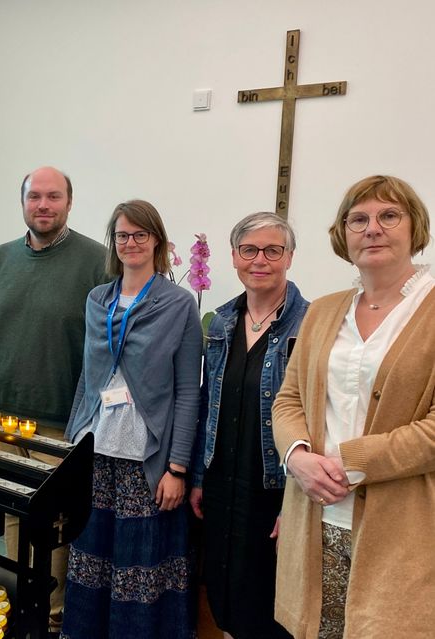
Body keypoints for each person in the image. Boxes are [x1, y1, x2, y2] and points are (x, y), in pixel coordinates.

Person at [272, 175, 435, 639]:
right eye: (358, 219)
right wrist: (298, 457)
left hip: (402, 528)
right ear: (343, 233)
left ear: (414, 228)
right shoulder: (323, 311)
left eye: (389, 216)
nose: (372, 228)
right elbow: (289, 399)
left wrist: (350, 461)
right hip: (315, 519)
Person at [0, 166, 107, 636]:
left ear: (69, 202)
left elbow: (106, 342)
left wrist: (87, 413)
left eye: (53, 197)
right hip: (1, 415)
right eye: (34, 197)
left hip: (60, 420)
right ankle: (20, 598)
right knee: (12, 511)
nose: (43, 205)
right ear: (22, 202)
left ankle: (52, 612)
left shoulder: (96, 261)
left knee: (54, 522)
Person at [61, 199, 203, 639]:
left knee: (138, 568)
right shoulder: (96, 299)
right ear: (113, 243)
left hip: (146, 459)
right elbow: (89, 375)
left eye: (141, 234)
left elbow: (186, 392)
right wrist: (70, 445)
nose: (131, 243)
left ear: (156, 241)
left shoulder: (178, 304)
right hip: (94, 449)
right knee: (90, 559)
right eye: (123, 235)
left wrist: (178, 467)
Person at [190, 212, 308, 639]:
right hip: (223, 481)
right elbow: (208, 405)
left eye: (273, 250)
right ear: (235, 257)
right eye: (249, 250)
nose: (261, 260)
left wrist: (295, 502)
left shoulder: (309, 325)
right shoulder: (220, 321)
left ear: (289, 257)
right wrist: (200, 476)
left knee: (267, 598)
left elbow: (315, 422)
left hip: (273, 487)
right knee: (222, 588)